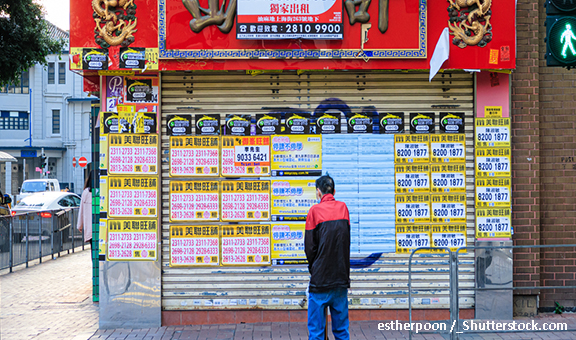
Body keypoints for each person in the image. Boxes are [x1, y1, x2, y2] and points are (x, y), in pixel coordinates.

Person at [305, 175, 351, 340]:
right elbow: (346, 243)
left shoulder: (314, 211)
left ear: (318, 192)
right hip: (340, 278)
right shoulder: (343, 208)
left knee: (316, 333)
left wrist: (314, 269)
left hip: (320, 281)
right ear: (334, 191)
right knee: (341, 331)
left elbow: (309, 248)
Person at [77, 171, 93, 244]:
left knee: (93, 251)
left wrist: (80, 225)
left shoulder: (86, 192)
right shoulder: (103, 191)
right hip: (102, 228)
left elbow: (82, 211)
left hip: (90, 229)